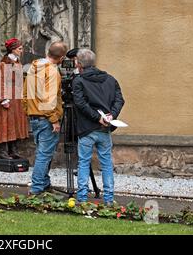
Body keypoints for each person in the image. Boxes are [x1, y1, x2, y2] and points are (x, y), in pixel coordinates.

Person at [72, 49, 125, 206]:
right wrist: (111, 116)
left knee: (83, 162)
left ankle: (82, 198)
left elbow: (80, 103)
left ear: (79, 64)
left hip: (87, 128)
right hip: (105, 128)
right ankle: (108, 198)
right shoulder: (110, 79)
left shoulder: (79, 81)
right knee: (107, 163)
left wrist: (98, 118)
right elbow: (119, 100)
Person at [23, 41, 68, 195]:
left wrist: (28, 110)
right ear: (61, 58)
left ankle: (44, 183)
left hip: (34, 116)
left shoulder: (32, 67)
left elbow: (25, 94)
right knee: (44, 155)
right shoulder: (53, 72)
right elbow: (49, 100)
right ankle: (36, 188)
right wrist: (54, 120)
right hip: (46, 118)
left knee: (42, 152)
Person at [0, 38, 29, 159]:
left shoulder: (18, 62)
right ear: (13, 49)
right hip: (9, 96)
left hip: (17, 97)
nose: (21, 50)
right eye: (19, 49)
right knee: (6, 123)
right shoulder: (5, 63)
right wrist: (3, 99)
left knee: (15, 122)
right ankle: (3, 151)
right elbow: (0, 81)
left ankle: (13, 149)